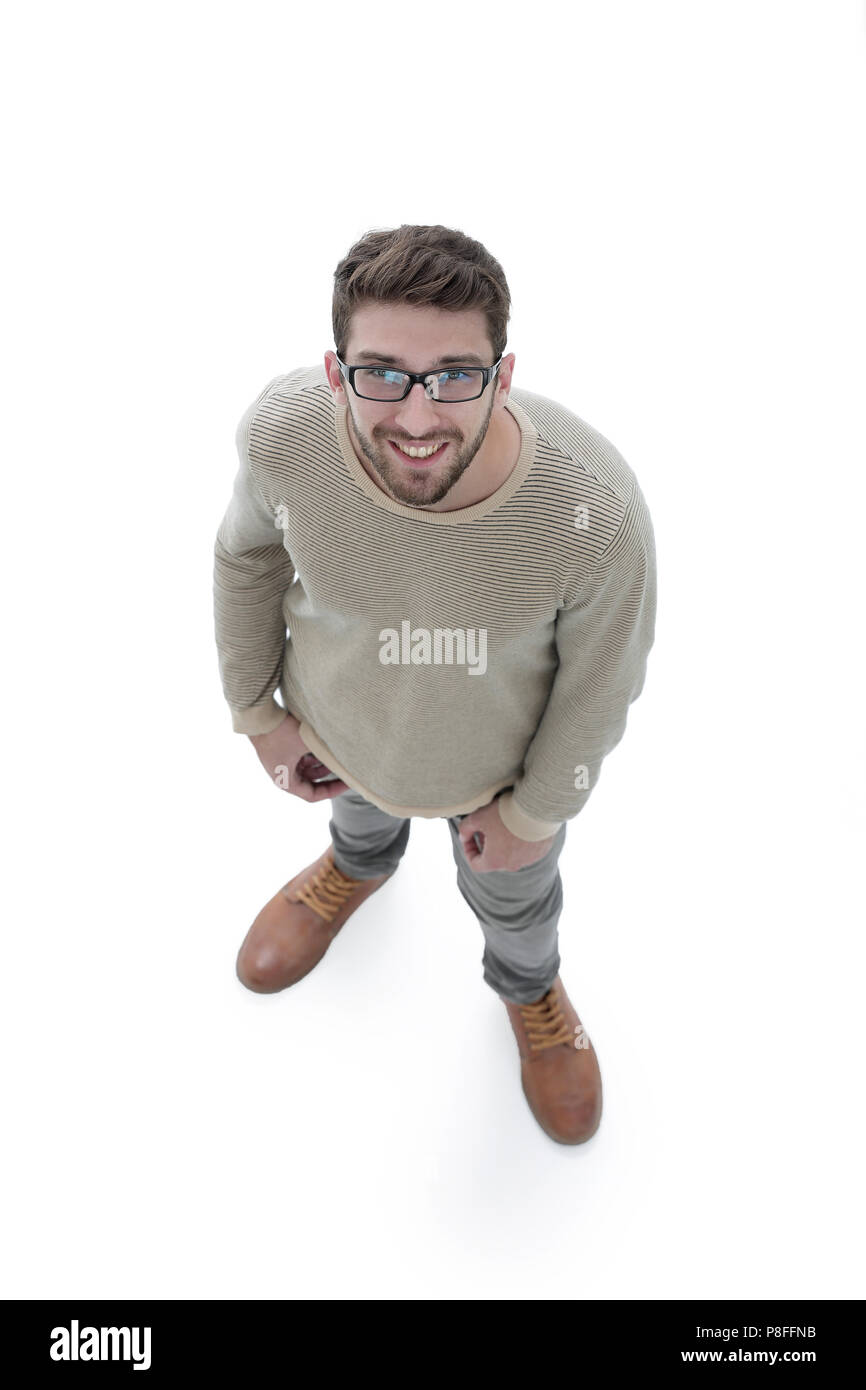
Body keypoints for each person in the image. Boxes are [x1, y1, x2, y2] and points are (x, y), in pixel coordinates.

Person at [212, 223, 657, 1146]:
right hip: (341, 734)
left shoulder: (591, 508)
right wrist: (259, 714)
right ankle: (357, 867)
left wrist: (531, 816)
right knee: (362, 812)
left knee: (518, 904)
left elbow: (601, 685)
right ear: (336, 373)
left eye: (457, 374)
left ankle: (532, 990)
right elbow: (245, 559)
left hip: (494, 779)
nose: (418, 417)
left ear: (503, 373)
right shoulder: (283, 437)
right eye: (383, 373)